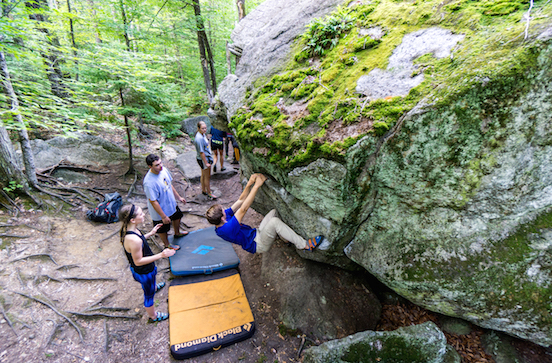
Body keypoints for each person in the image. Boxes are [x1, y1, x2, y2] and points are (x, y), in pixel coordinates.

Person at [205, 173, 323, 253]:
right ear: (221, 218)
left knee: (274, 213)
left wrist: (250, 183)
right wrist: (256, 186)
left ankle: (285, 238)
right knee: (275, 222)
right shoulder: (227, 229)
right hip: (258, 244)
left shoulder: (222, 219)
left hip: (256, 233)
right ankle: (305, 245)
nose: (225, 209)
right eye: (222, 209)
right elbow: (243, 209)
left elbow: (241, 200)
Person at [119, 204, 175, 323]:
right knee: (149, 296)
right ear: (132, 220)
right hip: (144, 272)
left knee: (151, 282)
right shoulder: (134, 240)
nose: (144, 214)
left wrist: (151, 233)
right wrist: (161, 255)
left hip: (146, 270)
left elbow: (139, 242)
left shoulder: (130, 230)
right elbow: (138, 261)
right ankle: (153, 316)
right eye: (140, 214)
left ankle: (153, 287)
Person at [143, 154, 187, 250]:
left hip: (171, 204)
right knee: (162, 228)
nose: (160, 166)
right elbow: (153, 201)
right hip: (160, 210)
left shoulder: (164, 170)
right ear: (150, 166)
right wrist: (163, 216)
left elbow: (169, 184)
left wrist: (178, 197)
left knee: (177, 216)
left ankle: (177, 233)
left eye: (160, 163)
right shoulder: (149, 182)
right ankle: (167, 245)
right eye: (157, 165)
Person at [195, 121, 216, 199]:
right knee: (207, 176)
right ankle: (209, 193)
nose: (205, 130)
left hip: (203, 158)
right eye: (203, 128)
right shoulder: (199, 138)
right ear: (198, 128)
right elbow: (201, 152)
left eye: (205, 128)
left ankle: (204, 190)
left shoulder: (202, 135)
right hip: (204, 159)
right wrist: (206, 163)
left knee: (203, 175)